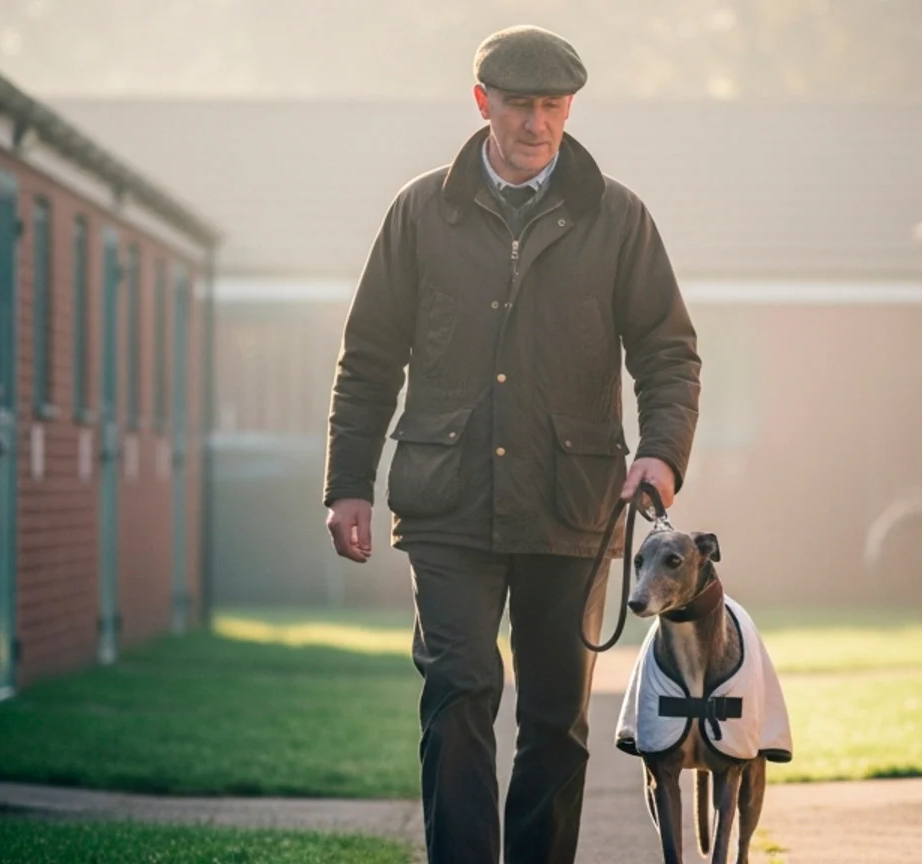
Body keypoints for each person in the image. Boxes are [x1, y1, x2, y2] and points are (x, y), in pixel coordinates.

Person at [322, 24, 700, 864]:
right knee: (458, 690)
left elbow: (669, 352)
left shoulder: (619, 217)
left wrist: (663, 452)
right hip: (446, 500)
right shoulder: (420, 212)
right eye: (521, 105)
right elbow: (371, 355)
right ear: (482, 101)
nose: (538, 123)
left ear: (570, 107)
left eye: (554, 106)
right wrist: (348, 479)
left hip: (573, 509)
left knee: (557, 719)